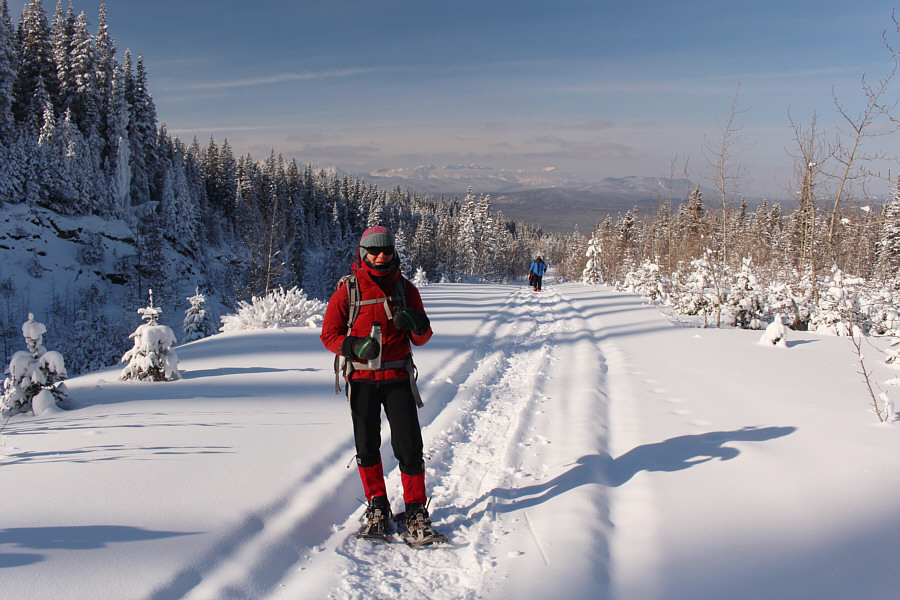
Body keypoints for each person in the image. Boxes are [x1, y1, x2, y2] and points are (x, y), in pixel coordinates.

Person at [320, 225, 437, 541]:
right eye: (374, 251)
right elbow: (328, 334)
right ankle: (377, 507)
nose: (381, 256)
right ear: (363, 253)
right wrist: (353, 346)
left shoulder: (406, 290)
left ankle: (415, 511)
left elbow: (423, 338)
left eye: (386, 250)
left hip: (398, 377)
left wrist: (418, 323)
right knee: (367, 447)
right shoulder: (348, 291)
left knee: (409, 447)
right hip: (362, 380)